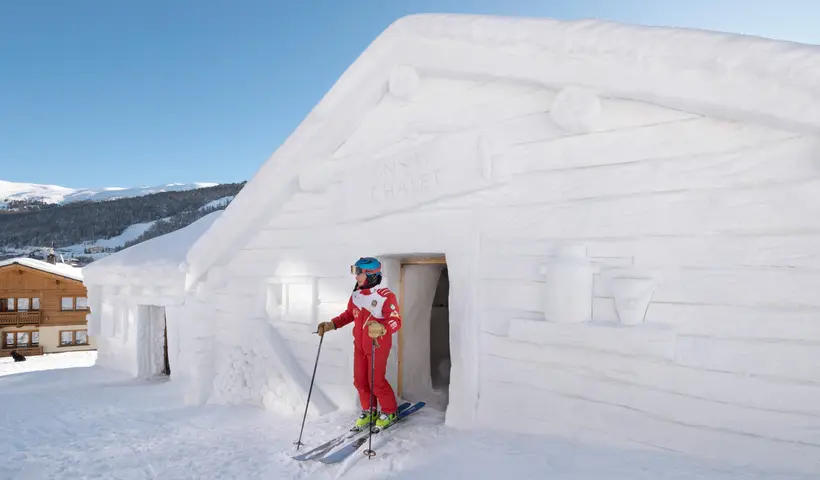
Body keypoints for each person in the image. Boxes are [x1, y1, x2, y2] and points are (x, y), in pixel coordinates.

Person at [317, 257, 402, 430]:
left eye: (359, 274)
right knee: (360, 380)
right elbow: (350, 314)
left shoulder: (385, 296)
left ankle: (389, 411)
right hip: (360, 345)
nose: (356, 278)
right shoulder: (356, 295)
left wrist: (382, 328)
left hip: (377, 344)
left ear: (370, 275)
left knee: (376, 382)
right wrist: (332, 324)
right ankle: (369, 410)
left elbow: (395, 320)